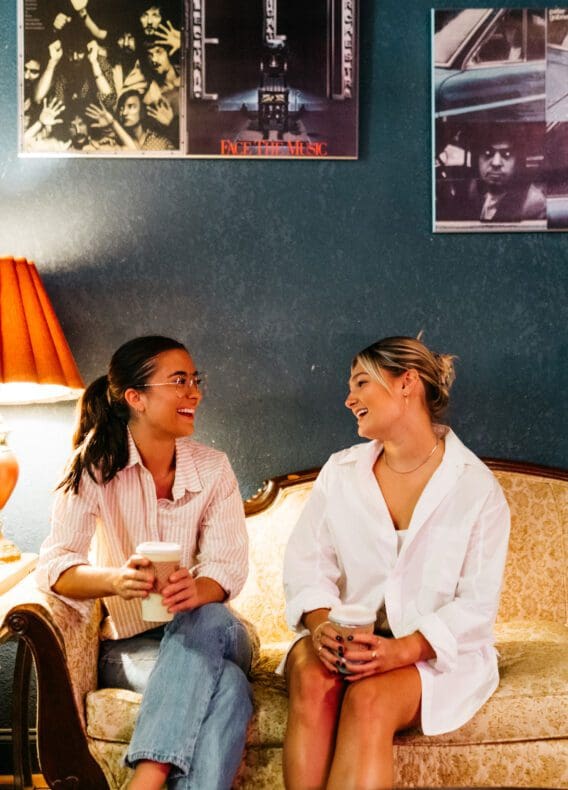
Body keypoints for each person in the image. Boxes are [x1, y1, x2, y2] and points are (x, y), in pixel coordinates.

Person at [282, 335, 510, 790]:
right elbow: (307, 564)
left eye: (361, 383)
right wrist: (322, 625)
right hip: (345, 640)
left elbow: (477, 604)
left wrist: (399, 651)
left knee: (369, 699)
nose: (349, 399)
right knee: (312, 675)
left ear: (406, 384)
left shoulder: (476, 488)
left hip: (430, 654)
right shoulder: (340, 473)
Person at [36, 335, 253, 790]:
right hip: (132, 646)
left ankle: (147, 777)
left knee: (208, 616)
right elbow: (56, 567)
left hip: (216, 630)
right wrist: (116, 580)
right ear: (135, 397)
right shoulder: (93, 469)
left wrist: (200, 589)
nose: (193, 392)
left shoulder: (213, 469)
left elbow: (229, 566)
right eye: (178, 381)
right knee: (229, 689)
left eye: (195, 380)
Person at [436, 123, 546, 223]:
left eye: (506, 154)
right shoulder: (474, 189)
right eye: (488, 153)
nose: (496, 163)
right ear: (476, 159)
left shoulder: (532, 203)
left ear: (518, 161)